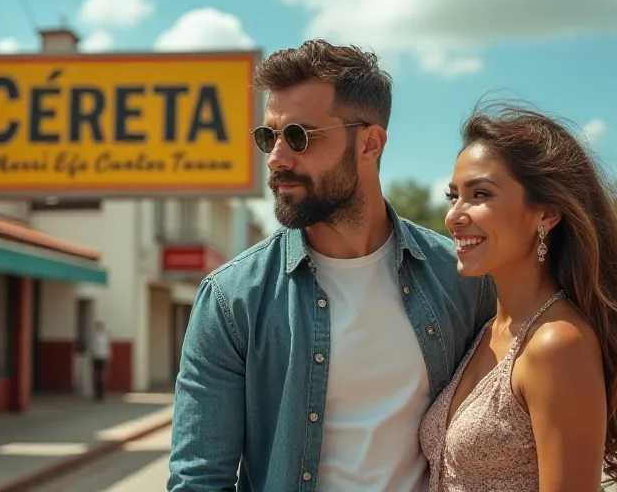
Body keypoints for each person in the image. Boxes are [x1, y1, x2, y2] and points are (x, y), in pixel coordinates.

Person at [167, 39, 496, 492]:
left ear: (370, 143)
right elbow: (199, 479)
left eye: (299, 136)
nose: (277, 158)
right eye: (268, 137)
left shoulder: (461, 279)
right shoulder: (232, 300)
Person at [419, 104, 617, 491]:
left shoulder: (556, 344)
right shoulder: (487, 330)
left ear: (547, 214)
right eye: (454, 196)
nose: (454, 215)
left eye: (480, 194)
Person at [91, 321, 110, 401]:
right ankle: (99, 394)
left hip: (99, 358)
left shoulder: (97, 337)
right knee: (99, 376)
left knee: (98, 376)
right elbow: (108, 349)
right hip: (102, 357)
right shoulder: (105, 337)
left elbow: (95, 348)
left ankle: (99, 394)